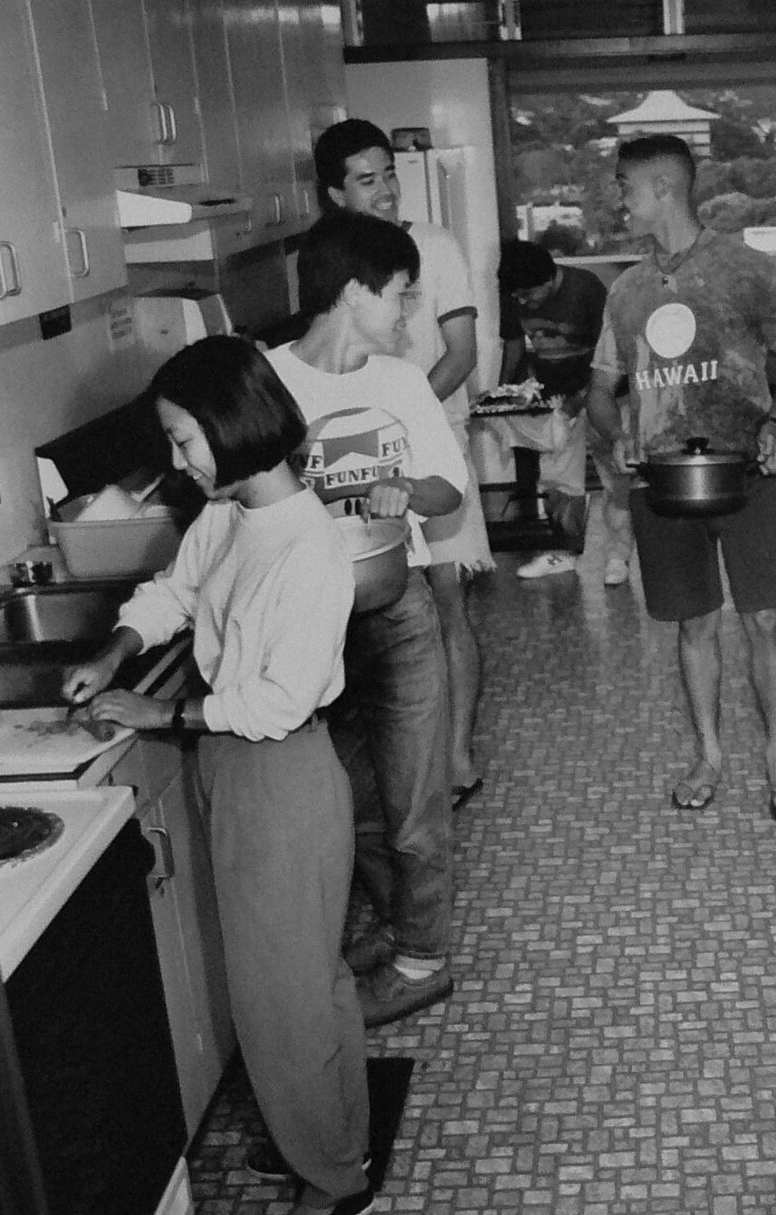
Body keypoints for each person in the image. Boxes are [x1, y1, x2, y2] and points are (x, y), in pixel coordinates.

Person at [63, 337, 373, 1215]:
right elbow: (174, 590)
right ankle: (335, 1144)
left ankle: (333, 1182)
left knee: (280, 1004)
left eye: (184, 440)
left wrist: (159, 710)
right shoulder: (232, 511)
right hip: (237, 773)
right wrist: (114, 649)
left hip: (278, 774)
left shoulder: (310, 548)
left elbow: (278, 702)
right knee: (307, 987)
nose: (176, 462)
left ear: (234, 428)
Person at [267, 212, 468, 1028]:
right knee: (350, 802)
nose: (408, 313)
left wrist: (406, 491)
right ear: (353, 293)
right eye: (399, 294)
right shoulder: (268, 380)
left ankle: (423, 959)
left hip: (396, 603)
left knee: (415, 798)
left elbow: (448, 492)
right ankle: (395, 925)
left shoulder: (401, 382)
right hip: (308, 617)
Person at [586, 133, 776, 826]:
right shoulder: (626, 291)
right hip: (663, 484)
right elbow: (600, 390)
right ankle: (710, 754)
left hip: (749, 475)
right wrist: (617, 432)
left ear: (661, 188)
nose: (617, 199)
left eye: (624, 186)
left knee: (766, 621)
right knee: (693, 627)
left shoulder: (747, 270)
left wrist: (774, 420)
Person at [314, 118, 489, 807]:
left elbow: (461, 354)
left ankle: (457, 757)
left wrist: (405, 421)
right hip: (355, 455)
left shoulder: (435, 247)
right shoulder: (328, 259)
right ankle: (388, 763)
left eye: (389, 173)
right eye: (368, 179)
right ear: (334, 193)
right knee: (371, 609)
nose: (386, 190)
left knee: (446, 599)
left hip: (430, 439)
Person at [497, 240, 634, 585]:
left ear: (549, 280)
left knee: (616, 475)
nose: (523, 304)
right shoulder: (514, 290)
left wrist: (581, 399)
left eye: (529, 296)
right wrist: (503, 392)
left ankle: (619, 557)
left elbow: (609, 355)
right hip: (556, 396)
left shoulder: (585, 290)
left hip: (606, 395)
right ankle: (563, 552)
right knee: (558, 479)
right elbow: (513, 345)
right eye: (517, 298)